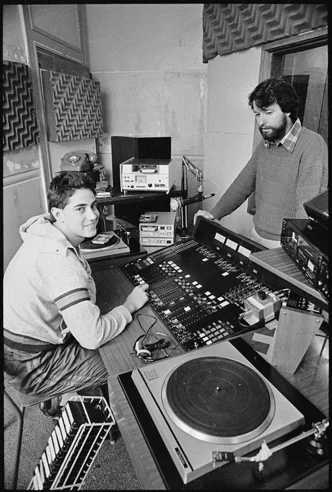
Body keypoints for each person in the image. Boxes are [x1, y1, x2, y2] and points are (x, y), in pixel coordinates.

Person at [4, 171, 149, 415]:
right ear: (58, 214)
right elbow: (92, 336)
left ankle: (72, 394)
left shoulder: (45, 232)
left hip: (16, 351)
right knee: (128, 358)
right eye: (80, 209)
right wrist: (130, 305)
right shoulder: (59, 262)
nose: (93, 216)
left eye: (94, 206)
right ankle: (119, 422)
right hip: (31, 369)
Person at [194, 78, 328, 248]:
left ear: (287, 110)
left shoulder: (312, 144)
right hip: (257, 235)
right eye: (257, 114)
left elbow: (305, 211)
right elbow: (242, 184)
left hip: (286, 244)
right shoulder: (266, 144)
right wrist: (214, 215)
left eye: (268, 112)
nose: (261, 121)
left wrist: (295, 249)